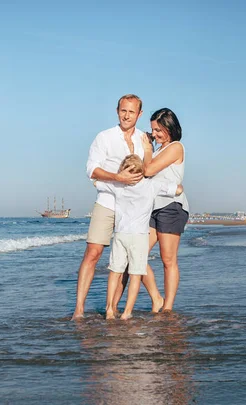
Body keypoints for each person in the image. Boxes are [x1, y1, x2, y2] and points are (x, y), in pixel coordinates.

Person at [71, 94, 146, 320]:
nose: (126, 115)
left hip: (132, 209)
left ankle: (112, 308)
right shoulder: (104, 137)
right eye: (123, 110)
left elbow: (149, 169)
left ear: (139, 114)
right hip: (107, 202)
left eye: (131, 112)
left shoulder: (144, 140)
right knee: (93, 253)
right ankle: (79, 309)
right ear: (117, 111)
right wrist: (117, 177)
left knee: (126, 261)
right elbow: (91, 169)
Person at [113, 108, 189, 313]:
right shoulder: (156, 151)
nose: (154, 134)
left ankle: (168, 308)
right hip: (152, 208)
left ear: (169, 127)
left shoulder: (176, 147)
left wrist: (147, 149)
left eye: (158, 130)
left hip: (171, 207)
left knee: (168, 259)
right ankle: (157, 299)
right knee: (135, 256)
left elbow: (148, 170)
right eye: (152, 130)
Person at [95, 151, 182, 320]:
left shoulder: (118, 185)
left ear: (124, 171)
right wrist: (178, 187)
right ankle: (127, 312)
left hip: (120, 235)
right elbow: (177, 190)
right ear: (142, 171)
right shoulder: (151, 185)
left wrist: (118, 177)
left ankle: (109, 310)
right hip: (140, 236)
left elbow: (96, 183)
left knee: (115, 272)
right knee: (135, 274)